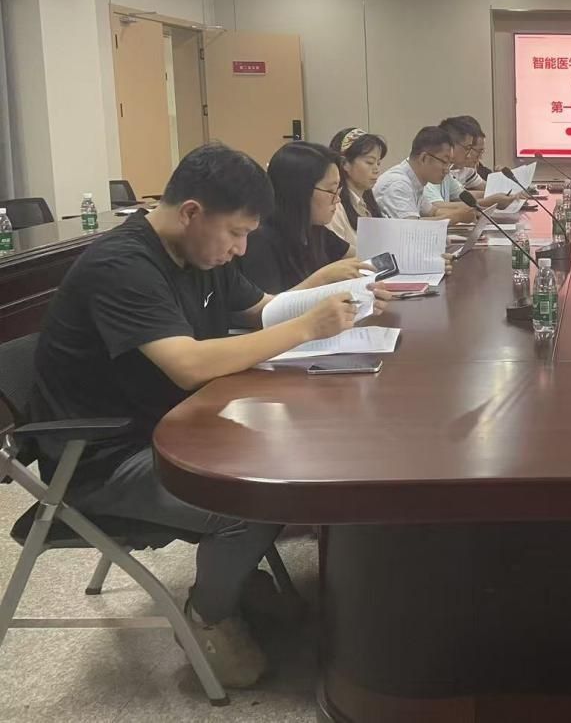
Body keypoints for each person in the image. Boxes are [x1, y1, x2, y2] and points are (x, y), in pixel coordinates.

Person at [26, 144, 372, 688]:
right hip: (104, 458)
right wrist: (308, 327)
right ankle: (210, 613)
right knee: (256, 497)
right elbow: (187, 365)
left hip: (178, 425)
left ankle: (235, 577)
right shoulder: (123, 266)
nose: (240, 249)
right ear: (191, 212)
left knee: (300, 452)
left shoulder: (201, 254)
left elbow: (262, 309)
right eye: (235, 233)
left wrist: (340, 294)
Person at [237, 142, 367, 295]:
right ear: (299, 191)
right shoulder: (259, 239)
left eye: (338, 190)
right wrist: (324, 278)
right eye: (331, 190)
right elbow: (267, 306)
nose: (337, 199)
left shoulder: (314, 230)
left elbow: (362, 258)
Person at [373, 125, 476, 223]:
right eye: (444, 162)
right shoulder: (398, 184)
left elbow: (433, 212)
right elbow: (411, 227)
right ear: (424, 158)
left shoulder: (415, 181)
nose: (447, 170)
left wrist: (464, 213)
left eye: (450, 163)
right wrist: (456, 217)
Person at [431, 117, 516, 209]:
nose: (468, 155)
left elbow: (464, 196)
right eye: (467, 148)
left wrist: (502, 195)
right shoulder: (430, 171)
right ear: (451, 145)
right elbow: (436, 207)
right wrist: (490, 201)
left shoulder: (447, 173)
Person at [328, 127, 386, 248]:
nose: (376, 169)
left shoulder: (367, 203)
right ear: (345, 164)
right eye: (370, 162)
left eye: (378, 163)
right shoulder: (335, 207)